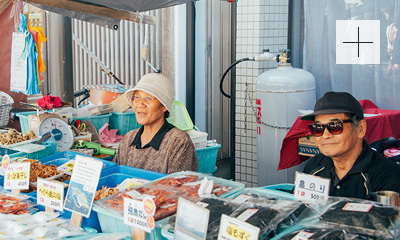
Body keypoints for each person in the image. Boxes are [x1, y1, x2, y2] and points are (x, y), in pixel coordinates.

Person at [301, 91, 400, 200]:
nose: (325, 135)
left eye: (334, 126)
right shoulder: (314, 166)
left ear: (360, 129)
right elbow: (302, 211)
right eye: (318, 128)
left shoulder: (388, 176)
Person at [113, 73, 198, 174]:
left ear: (164, 106)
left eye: (148, 98)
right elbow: (115, 176)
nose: (140, 104)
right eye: (136, 98)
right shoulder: (128, 139)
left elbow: (177, 186)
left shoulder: (178, 141)